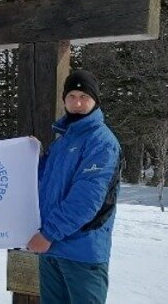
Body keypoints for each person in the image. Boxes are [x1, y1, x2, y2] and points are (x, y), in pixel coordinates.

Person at [26, 69, 121, 304]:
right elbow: (44, 186)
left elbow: (87, 199)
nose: (77, 103)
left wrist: (48, 233)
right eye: (72, 97)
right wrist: (32, 158)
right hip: (52, 250)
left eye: (84, 97)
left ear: (95, 101)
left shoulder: (101, 142)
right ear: (64, 101)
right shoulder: (63, 141)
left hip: (82, 252)